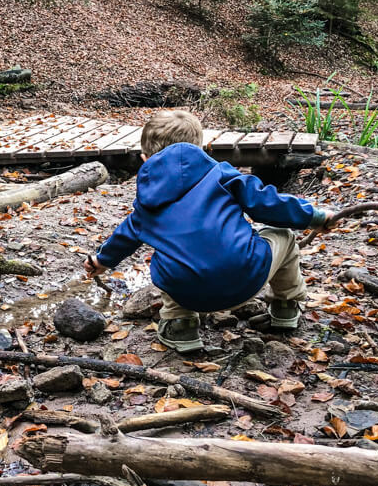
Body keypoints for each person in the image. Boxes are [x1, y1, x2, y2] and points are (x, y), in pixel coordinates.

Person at [84, 110, 334, 353]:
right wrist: (313, 216)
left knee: (166, 256)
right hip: (247, 280)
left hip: (189, 293)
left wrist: (101, 261)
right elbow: (267, 204)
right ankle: (286, 307)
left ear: (144, 158)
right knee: (284, 236)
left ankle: (180, 325)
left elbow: (125, 236)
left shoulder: (147, 200)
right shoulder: (222, 174)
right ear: (200, 149)